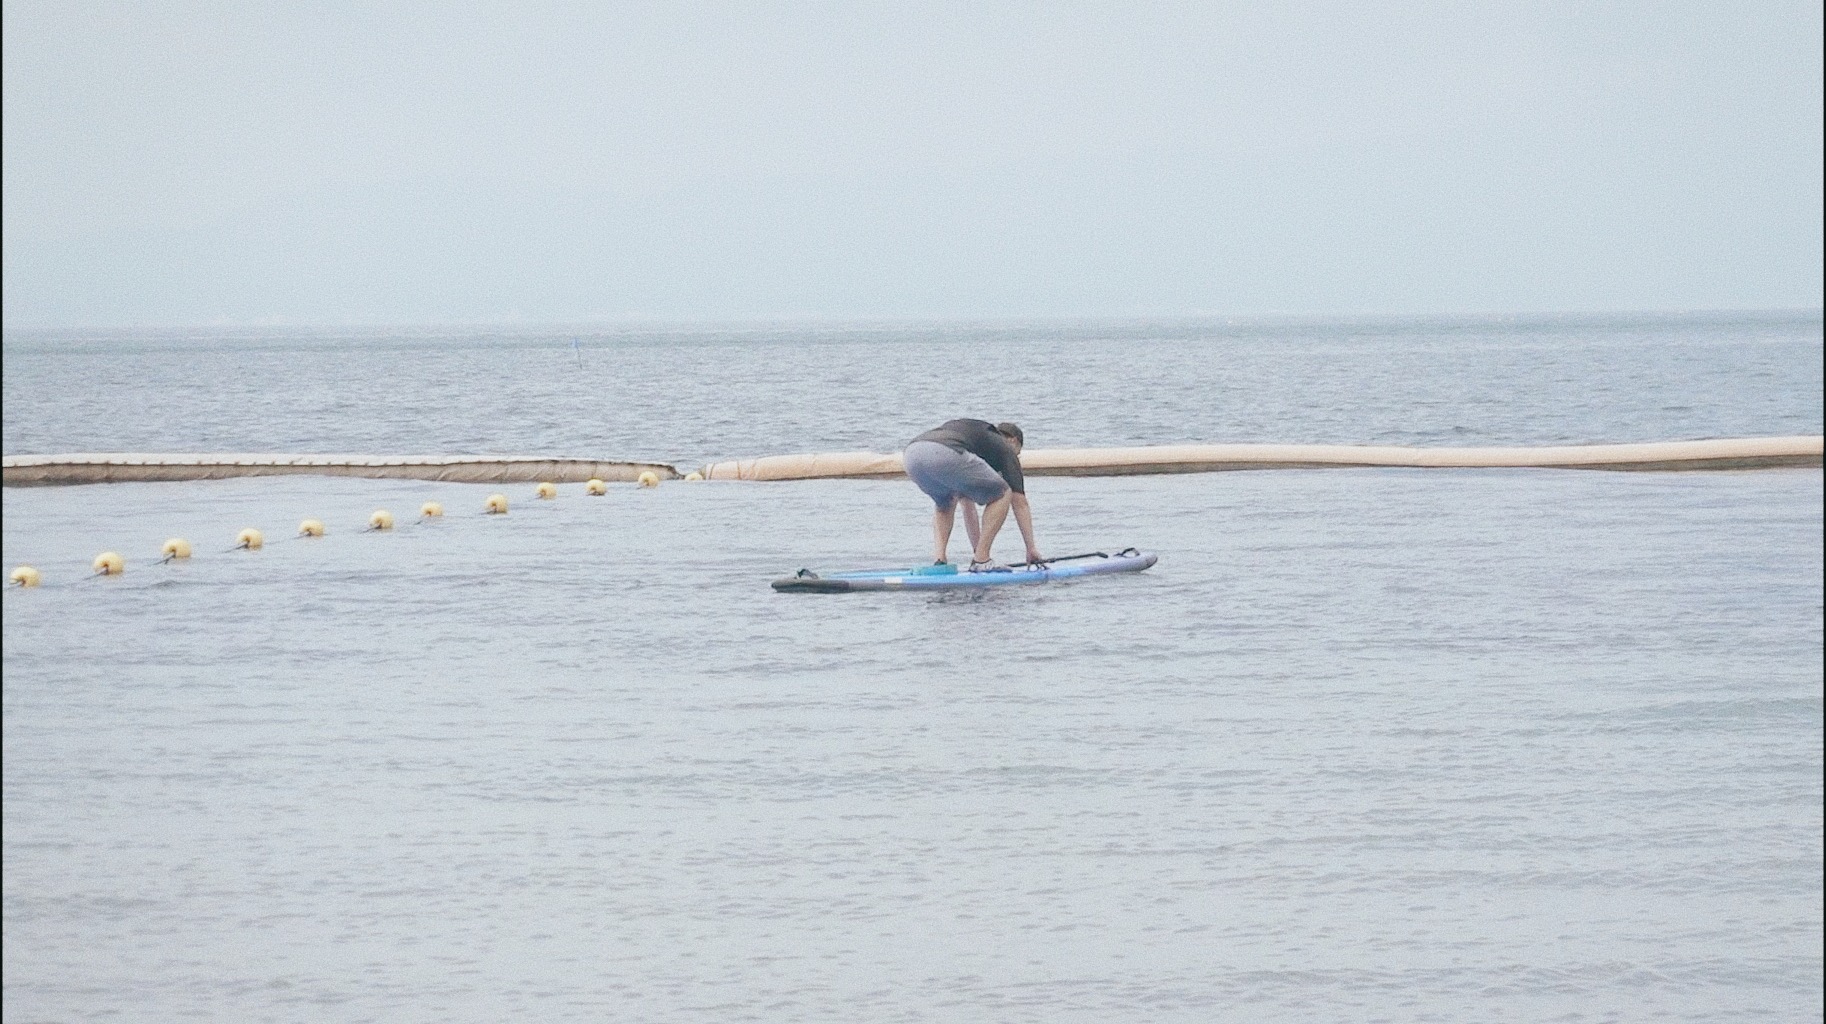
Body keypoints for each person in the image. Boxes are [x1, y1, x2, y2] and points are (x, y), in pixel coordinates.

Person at [902, 418, 1043, 571]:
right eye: (1018, 453)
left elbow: (967, 506)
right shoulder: (1005, 447)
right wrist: (1031, 548)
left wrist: (976, 552)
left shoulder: (976, 439)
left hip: (911, 455)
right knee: (1003, 493)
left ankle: (940, 561)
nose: (1016, 458)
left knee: (945, 503)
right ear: (1013, 441)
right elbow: (1020, 502)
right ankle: (982, 560)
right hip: (947, 452)